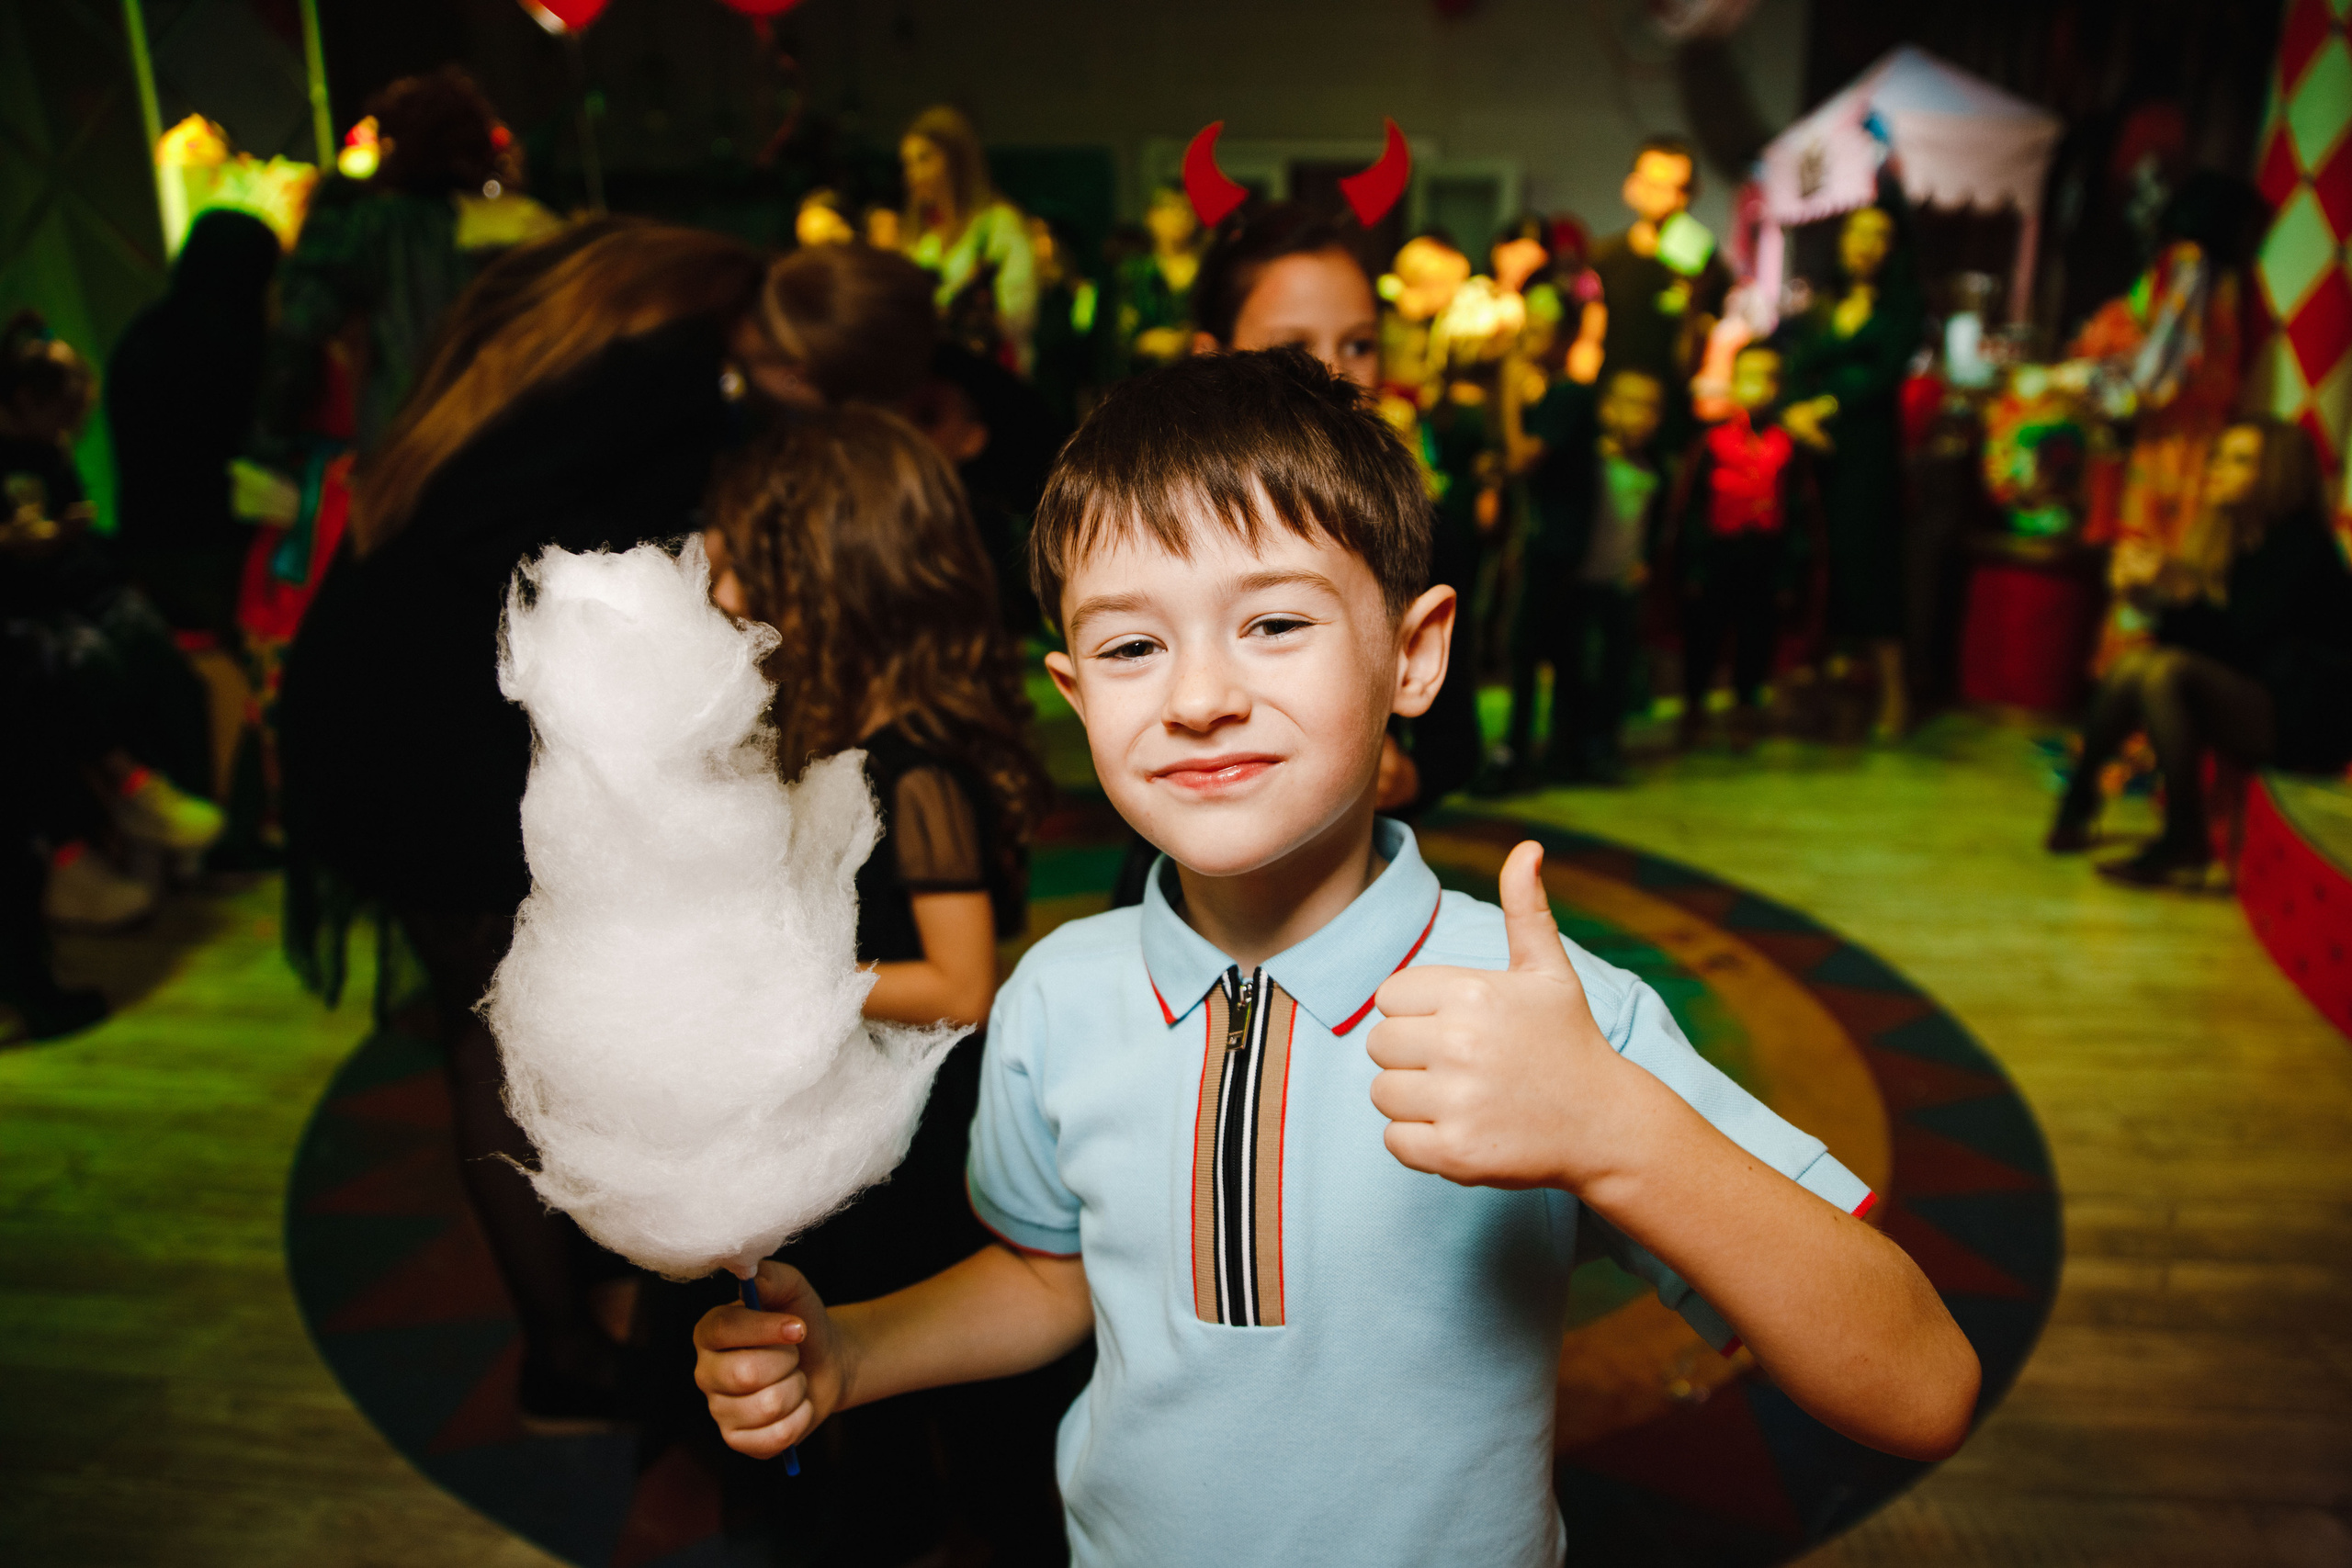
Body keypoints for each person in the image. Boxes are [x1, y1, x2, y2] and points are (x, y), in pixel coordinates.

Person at [691, 348, 1980, 1567]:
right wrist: (851, 1352)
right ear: (1078, 696)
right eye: (1133, 643)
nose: (1197, 694)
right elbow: (1055, 1274)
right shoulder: (1056, 999)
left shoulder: (1554, 1020)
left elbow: (1920, 1386)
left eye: (1275, 622)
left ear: (1413, 653)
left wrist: (1617, 1130)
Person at [278, 222, 825, 1426]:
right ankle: (562, 1349)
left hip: (370, 686)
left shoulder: (576, 336)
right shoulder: (671, 368)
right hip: (430, 725)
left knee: (496, 1032)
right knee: (497, 1039)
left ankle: (576, 1299)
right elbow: (580, 563)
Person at [704, 405, 1066, 1565]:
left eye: (735, 562)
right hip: (868, 1115)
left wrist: (798, 978)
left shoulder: (917, 771)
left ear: (824, 574)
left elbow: (962, 982)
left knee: (957, 1389)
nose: (712, 589)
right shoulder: (838, 737)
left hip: (926, 1140)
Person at [2046, 418, 2352, 886]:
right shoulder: (2242, 540)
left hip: (2308, 719)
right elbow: (2208, 645)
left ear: (2277, 474)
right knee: (2137, 665)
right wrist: (2150, 599)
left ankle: (2182, 836)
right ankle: (2081, 797)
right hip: (2262, 698)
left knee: (2166, 672)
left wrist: (2175, 591)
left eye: (2240, 461)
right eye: (2219, 457)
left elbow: (2242, 648)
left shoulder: (2299, 546)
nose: (2217, 470)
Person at [106, 209, 283, 807]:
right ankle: (245, 811)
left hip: (150, 538)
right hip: (211, 543)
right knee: (248, 675)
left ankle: (220, 814)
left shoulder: (145, 333)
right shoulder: (226, 341)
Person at [1781, 203, 1926, 739]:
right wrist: (1796, 411)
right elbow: (1795, 366)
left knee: (1871, 569)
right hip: (1816, 452)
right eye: (1857, 232)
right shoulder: (1822, 305)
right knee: (1819, 567)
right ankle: (1816, 689)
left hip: (1866, 453)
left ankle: (1894, 694)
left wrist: (1825, 406)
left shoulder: (1902, 309)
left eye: (1879, 235)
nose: (1866, 243)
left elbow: (1885, 373)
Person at [1497, 366, 1666, 786]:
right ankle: (1553, 747)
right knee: (1568, 664)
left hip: (1619, 584)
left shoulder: (1655, 468)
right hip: (1576, 581)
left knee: (1611, 669)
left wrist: (1646, 562)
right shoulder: (1583, 463)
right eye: (1629, 404)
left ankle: (1595, 747)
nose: (1638, 417)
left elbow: (1654, 526)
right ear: (1606, 408)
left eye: (1649, 407)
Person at [1668, 342, 1817, 750]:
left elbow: (1797, 512)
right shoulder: (1709, 441)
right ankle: (1694, 709)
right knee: (1703, 637)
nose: (1760, 387)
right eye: (1750, 376)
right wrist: (1692, 566)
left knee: (1756, 639)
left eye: (1769, 378)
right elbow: (1690, 508)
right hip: (1716, 554)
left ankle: (1744, 712)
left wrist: (1790, 573)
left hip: (1763, 557)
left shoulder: (1789, 444)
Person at [1571, 138, 1730, 426]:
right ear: (1632, 187)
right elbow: (1589, 338)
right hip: (1611, 404)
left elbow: (1709, 335)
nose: (1670, 197)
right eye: (1657, 185)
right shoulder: (1604, 259)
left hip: (1674, 409)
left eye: (1681, 188)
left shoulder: (1705, 261)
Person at [900, 106, 1038, 373]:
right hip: (938, 380)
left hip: (991, 379)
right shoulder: (923, 239)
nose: (914, 174)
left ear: (955, 160)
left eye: (924, 159)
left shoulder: (998, 225)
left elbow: (1019, 317)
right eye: (907, 163)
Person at [1108, 183, 1203, 378]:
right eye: (1170, 207)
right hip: (1147, 378)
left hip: (1203, 375)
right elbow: (1116, 334)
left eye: (1187, 208)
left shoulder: (1209, 266)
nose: (1180, 215)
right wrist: (1146, 342)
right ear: (1150, 216)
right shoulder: (1134, 271)